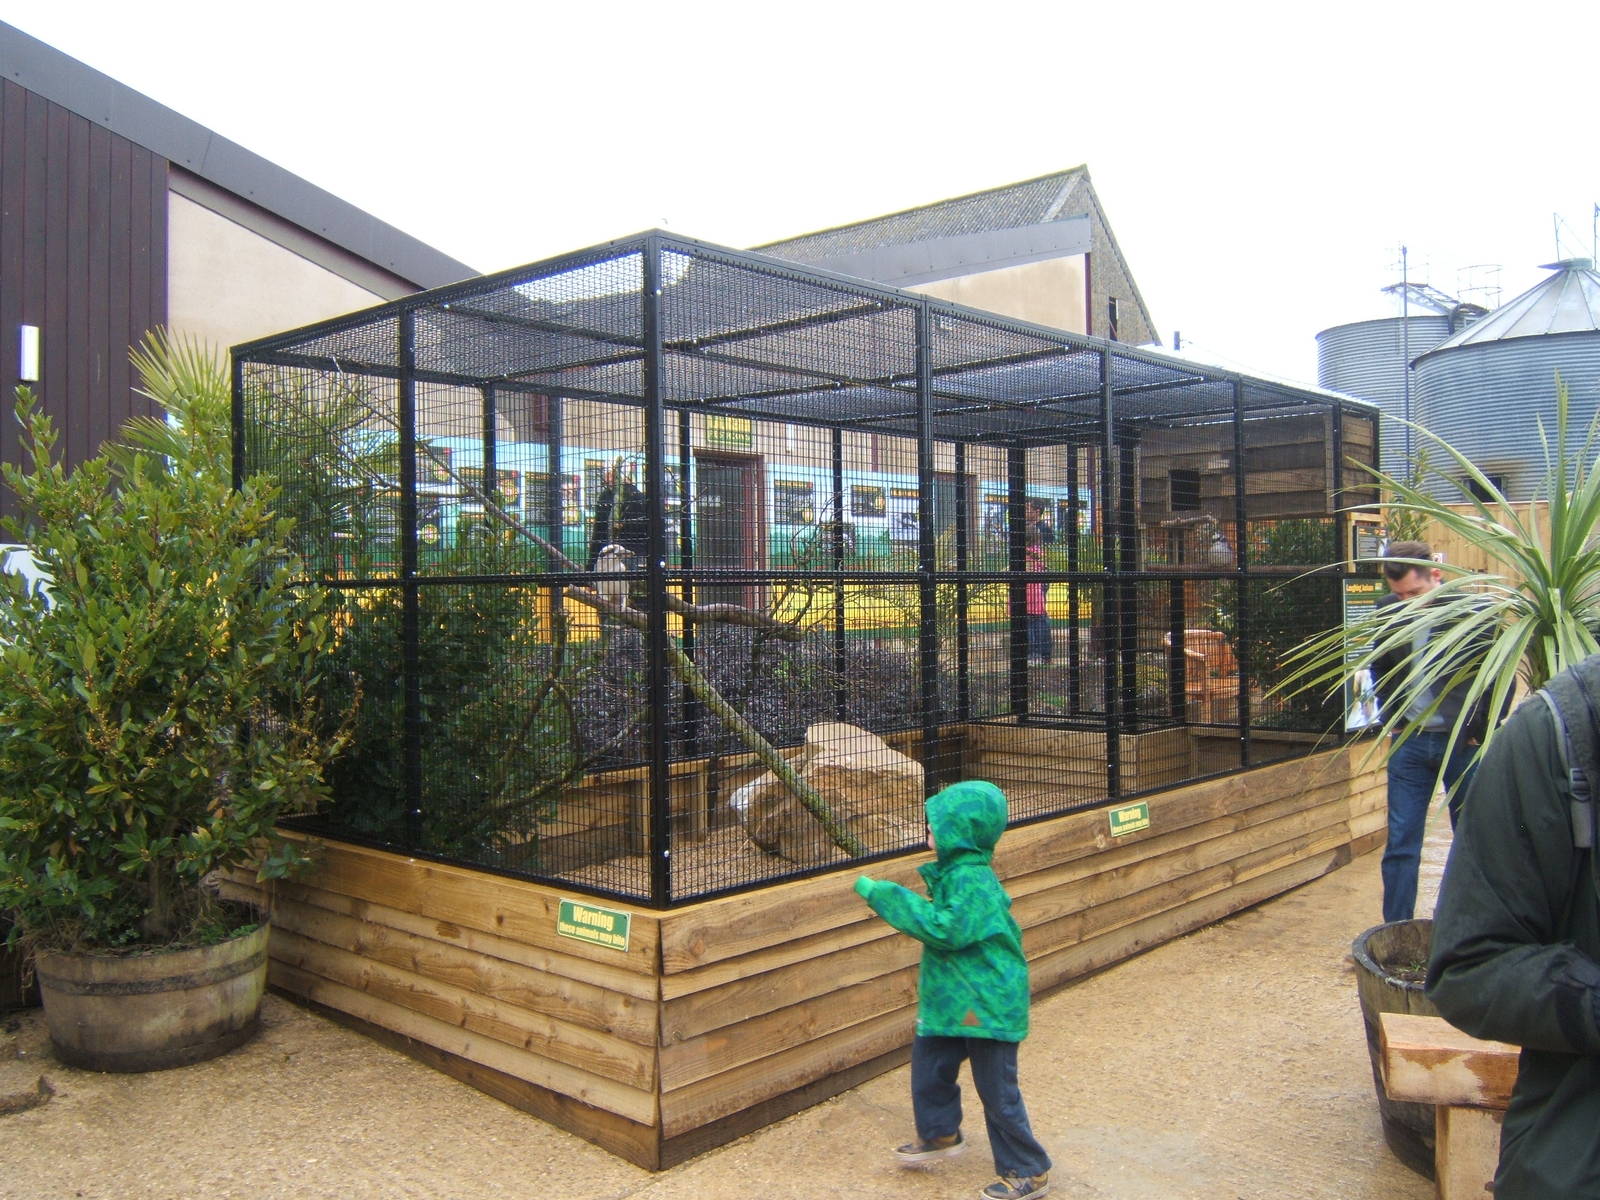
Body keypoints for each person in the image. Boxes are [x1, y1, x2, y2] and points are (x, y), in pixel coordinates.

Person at [1426, 657, 1600, 1197]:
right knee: (1406, 839)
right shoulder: (1559, 734)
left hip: (1464, 738)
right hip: (1576, 1154)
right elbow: (1470, 964)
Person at [853, 781, 1053, 1200]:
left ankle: (1027, 1168)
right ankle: (941, 1132)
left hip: (984, 1004)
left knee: (997, 1089)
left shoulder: (971, 880)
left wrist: (886, 896)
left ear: (961, 831)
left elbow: (945, 929)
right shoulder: (956, 872)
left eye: (936, 825)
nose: (927, 829)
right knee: (930, 1065)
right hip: (956, 1001)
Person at [1368, 540, 1489, 923]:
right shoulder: (1387, 610)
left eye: (1414, 593)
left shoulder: (1472, 611)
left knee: (1470, 840)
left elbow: (1494, 675)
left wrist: (1477, 731)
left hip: (1462, 743)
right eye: (1398, 594)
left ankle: (1463, 931)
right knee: (1402, 842)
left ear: (1436, 575)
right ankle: (1396, 932)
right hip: (1411, 742)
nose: (1406, 602)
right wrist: (1393, 718)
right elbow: (1381, 668)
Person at [1025, 502, 1054, 665]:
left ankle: (1039, 652)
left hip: (1036, 581)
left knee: (1036, 617)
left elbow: (1047, 553)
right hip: (1036, 580)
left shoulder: (1044, 529)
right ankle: (1042, 653)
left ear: (1037, 511)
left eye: (1028, 509)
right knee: (1038, 615)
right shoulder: (1028, 527)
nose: (1025, 512)